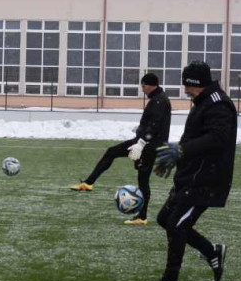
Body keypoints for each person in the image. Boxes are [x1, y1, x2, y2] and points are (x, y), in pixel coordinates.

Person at [140, 61, 236, 281]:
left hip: (207, 179)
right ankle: (211, 252)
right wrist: (175, 158)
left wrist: (181, 151)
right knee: (165, 218)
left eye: (187, 85)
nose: (185, 90)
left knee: (177, 224)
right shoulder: (201, 102)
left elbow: (217, 138)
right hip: (191, 175)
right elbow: (194, 137)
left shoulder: (219, 104)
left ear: (198, 84)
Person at [70, 72, 171, 225]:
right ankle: (88, 183)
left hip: (148, 146)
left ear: (151, 85)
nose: (142, 88)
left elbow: (154, 125)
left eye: (143, 85)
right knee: (112, 152)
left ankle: (141, 217)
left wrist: (142, 143)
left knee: (143, 179)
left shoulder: (159, 101)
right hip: (144, 142)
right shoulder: (158, 99)